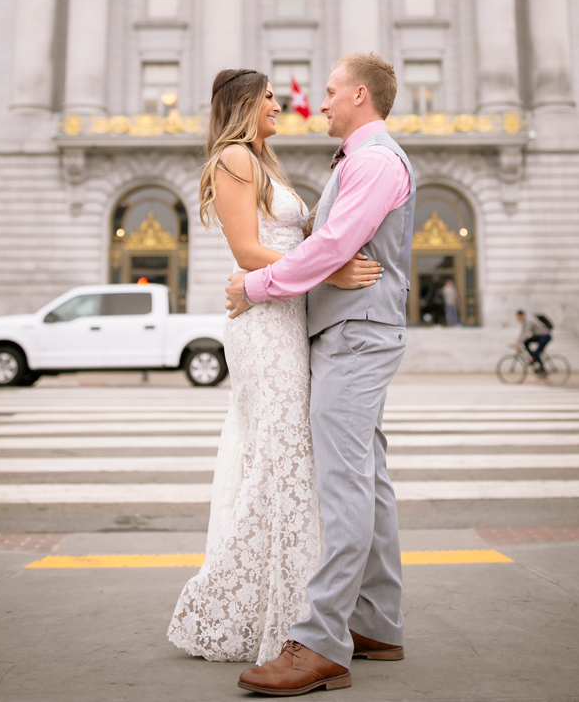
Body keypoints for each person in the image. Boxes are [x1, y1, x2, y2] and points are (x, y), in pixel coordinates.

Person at [167, 69, 380, 665]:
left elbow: (291, 237)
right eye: (267, 97)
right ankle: (254, 606)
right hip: (263, 324)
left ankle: (292, 603)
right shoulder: (234, 158)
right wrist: (330, 269)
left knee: (284, 453)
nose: (278, 104)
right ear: (243, 104)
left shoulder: (266, 163)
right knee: (281, 452)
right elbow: (247, 250)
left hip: (286, 314)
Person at [226, 52, 416, 696]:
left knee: (343, 488)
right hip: (355, 332)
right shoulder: (362, 160)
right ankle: (377, 622)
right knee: (369, 478)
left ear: (359, 95)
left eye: (330, 92)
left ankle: (321, 641)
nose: (319, 103)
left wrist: (257, 283)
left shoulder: (372, 161)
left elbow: (334, 246)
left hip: (355, 336)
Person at [515, 309, 552, 375]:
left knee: (536, 353)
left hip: (545, 336)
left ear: (520, 315)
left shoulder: (529, 320)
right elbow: (523, 332)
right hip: (539, 336)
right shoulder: (525, 321)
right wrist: (518, 341)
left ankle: (543, 369)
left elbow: (526, 332)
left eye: (517, 316)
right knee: (526, 342)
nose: (517, 318)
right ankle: (534, 357)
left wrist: (519, 343)